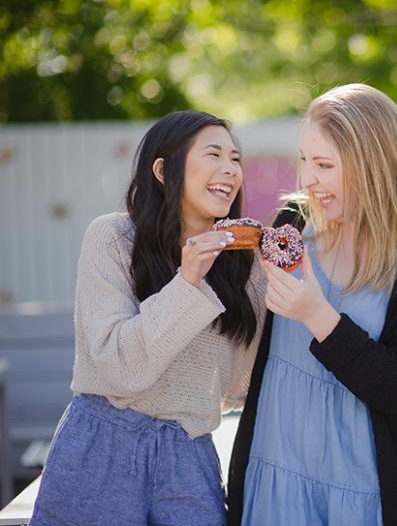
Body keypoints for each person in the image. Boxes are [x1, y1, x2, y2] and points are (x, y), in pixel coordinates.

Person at [228, 84, 397, 526]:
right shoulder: (292, 225)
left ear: (374, 165)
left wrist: (316, 314)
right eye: (304, 160)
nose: (306, 179)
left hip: (373, 490)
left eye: (324, 165)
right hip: (279, 474)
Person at [30, 110, 266, 526]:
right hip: (102, 445)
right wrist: (187, 279)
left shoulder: (243, 266)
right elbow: (120, 369)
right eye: (214, 155)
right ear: (162, 169)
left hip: (189, 455)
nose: (230, 170)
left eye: (235, 159)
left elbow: (240, 383)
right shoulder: (113, 238)